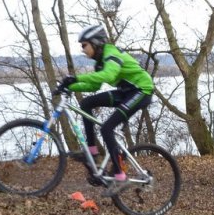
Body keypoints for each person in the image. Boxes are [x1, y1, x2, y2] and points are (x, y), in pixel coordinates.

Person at [59, 25, 154, 197]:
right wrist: (69, 85)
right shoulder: (100, 62)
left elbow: (109, 76)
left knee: (106, 128)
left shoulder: (111, 54)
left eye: (84, 45)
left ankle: (120, 176)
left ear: (96, 42)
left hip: (141, 91)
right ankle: (92, 152)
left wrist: (75, 77)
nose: (83, 49)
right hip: (126, 92)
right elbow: (94, 85)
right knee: (87, 103)